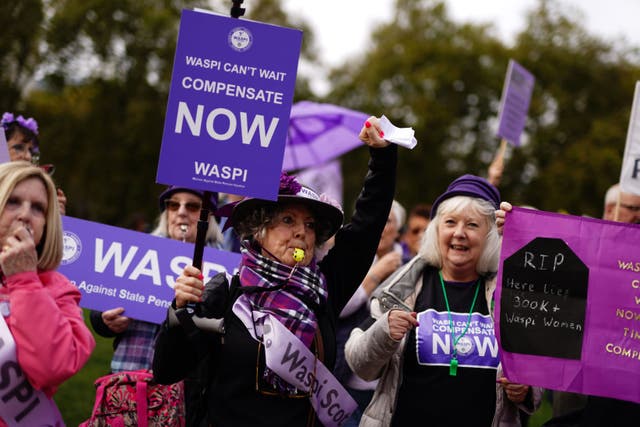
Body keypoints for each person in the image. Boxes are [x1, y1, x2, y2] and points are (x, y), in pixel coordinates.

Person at [152, 116, 397, 426]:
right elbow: (167, 370)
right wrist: (180, 310)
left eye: (310, 225)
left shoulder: (324, 288)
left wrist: (383, 157)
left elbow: (366, 226)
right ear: (259, 230)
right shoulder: (226, 292)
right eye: (288, 221)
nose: (302, 233)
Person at [345, 174, 541, 426]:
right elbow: (360, 365)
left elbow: (538, 360)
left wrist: (525, 389)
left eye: (472, 225)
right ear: (436, 230)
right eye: (450, 222)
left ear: (490, 235)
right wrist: (385, 332)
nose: (459, 233)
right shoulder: (402, 289)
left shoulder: (511, 292)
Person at [89, 186, 223, 424]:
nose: (181, 213)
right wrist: (105, 319)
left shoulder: (223, 268)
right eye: (173, 205)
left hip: (184, 394)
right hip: (126, 383)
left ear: (209, 217)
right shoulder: (136, 250)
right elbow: (102, 306)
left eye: (192, 206)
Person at [0, 161, 95, 425]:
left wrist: (23, 280)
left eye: (38, 208)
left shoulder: (59, 291)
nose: (25, 215)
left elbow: (51, 367)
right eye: (13, 201)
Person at [334, 199, 406, 426]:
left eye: (389, 221)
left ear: (398, 229)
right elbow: (340, 307)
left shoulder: (411, 266)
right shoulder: (352, 259)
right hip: (346, 381)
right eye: (378, 220)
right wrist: (376, 274)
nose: (382, 227)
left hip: (389, 388)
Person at [1, 111, 68, 215]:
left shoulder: (39, 190)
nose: (28, 156)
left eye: (31, 151)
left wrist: (53, 217)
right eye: (19, 147)